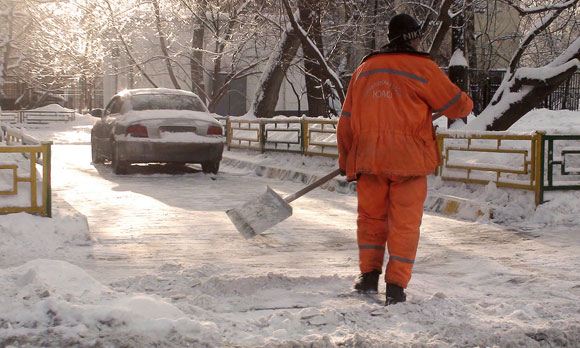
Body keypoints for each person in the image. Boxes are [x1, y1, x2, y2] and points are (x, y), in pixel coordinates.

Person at [337, 13, 473, 305]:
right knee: (404, 224)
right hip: (408, 161)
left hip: (369, 160)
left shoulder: (364, 69)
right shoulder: (422, 68)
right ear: (412, 39)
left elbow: (346, 120)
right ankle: (396, 286)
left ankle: (368, 277)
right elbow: (457, 108)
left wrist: (347, 159)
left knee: (370, 219)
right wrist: (465, 98)